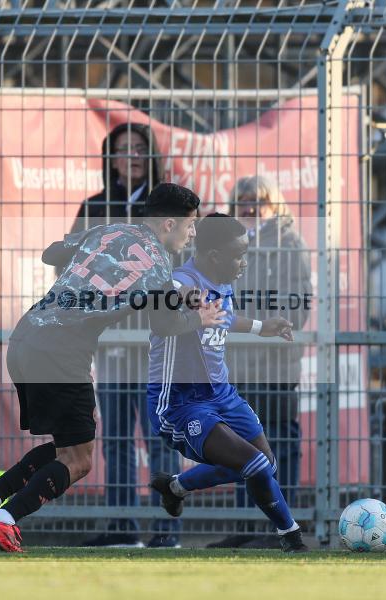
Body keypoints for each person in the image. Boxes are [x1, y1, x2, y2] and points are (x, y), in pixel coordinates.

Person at [0, 183, 226, 552]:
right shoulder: (160, 266)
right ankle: (3, 521)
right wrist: (200, 319)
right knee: (80, 460)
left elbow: (50, 254)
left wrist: (96, 265)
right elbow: (166, 326)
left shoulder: (108, 231)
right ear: (168, 224)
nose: (193, 231)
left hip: (27, 335)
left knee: (67, 448)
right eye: (191, 223)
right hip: (62, 350)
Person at [146, 213, 310, 553]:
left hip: (222, 395)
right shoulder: (182, 277)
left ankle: (175, 487)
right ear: (215, 256)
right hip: (181, 403)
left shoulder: (223, 280)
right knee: (255, 465)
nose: (244, 263)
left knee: (265, 465)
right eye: (239, 256)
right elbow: (173, 289)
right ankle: (292, 538)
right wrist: (189, 296)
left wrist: (262, 326)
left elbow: (225, 316)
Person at [66, 123, 180, 548]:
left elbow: (184, 262)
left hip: (156, 340)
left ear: (150, 156)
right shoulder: (96, 207)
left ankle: (167, 531)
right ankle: (121, 526)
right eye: (122, 149)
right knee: (114, 438)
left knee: (161, 437)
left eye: (138, 149)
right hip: (112, 338)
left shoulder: (167, 205)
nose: (131, 156)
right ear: (110, 158)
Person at [210, 175, 312, 548]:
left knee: (280, 441)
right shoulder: (224, 245)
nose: (251, 206)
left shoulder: (290, 243)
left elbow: (300, 303)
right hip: (233, 365)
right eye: (243, 200)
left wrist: (264, 329)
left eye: (260, 200)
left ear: (275, 204)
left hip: (277, 365)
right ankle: (245, 528)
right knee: (238, 446)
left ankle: (282, 527)